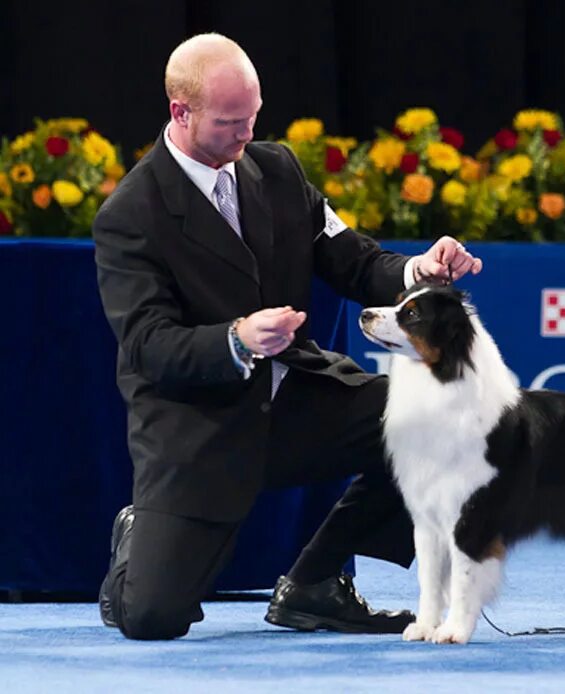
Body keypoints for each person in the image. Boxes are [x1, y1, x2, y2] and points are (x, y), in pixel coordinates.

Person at [93, 33, 482, 641]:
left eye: (253, 117)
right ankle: (140, 528)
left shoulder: (275, 168)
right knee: (151, 620)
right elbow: (149, 345)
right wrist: (237, 338)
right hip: (201, 427)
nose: (246, 135)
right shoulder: (129, 214)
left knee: (432, 419)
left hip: (296, 400)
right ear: (180, 112)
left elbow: (351, 259)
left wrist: (416, 271)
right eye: (230, 122)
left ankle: (316, 585)